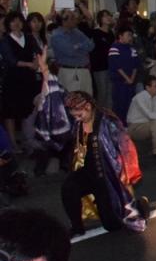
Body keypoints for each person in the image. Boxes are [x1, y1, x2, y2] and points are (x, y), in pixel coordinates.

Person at [34, 54, 148, 236]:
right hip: (87, 172)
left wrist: (126, 173)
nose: (75, 118)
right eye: (73, 115)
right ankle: (77, 227)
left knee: (113, 225)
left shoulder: (107, 121)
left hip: (107, 176)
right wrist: (46, 71)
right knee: (69, 187)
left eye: (78, 114)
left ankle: (140, 205)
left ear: (88, 107)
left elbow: (126, 147)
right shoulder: (77, 122)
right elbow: (57, 98)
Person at [1, 12, 43, 152]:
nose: (16, 23)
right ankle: (13, 143)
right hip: (12, 79)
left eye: (19, 20)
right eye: (13, 21)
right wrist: (29, 64)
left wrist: (37, 62)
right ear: (8, 24)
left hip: (29, 79)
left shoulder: (29, 37)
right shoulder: (5, 40)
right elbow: (10, 60)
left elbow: (39, 52)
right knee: (11, 112)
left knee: (28, 109)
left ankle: (28, 139)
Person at [49, 10, 94, 96]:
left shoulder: (77, 32)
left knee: (88, 101)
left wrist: (77, 46)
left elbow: (91, 45)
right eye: (72, 17)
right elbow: (70, 51)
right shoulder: (57, 35)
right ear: (64, 21)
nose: (75, 19)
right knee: (71, 102)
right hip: (68, 72)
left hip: (84, 70)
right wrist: (82, 48)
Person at [107, 26, 140, 124]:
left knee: (130, 104)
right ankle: (118, 126)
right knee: (119, 105)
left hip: (130, 82)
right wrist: (127, 78)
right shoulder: (114, 48)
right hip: (119, 82)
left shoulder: (132, 49)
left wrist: (132, 79)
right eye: (128, 35)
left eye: (131, 35)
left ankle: (128, 126)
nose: (130, 37)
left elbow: (135, 65)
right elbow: (117, 66)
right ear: (120, 36)